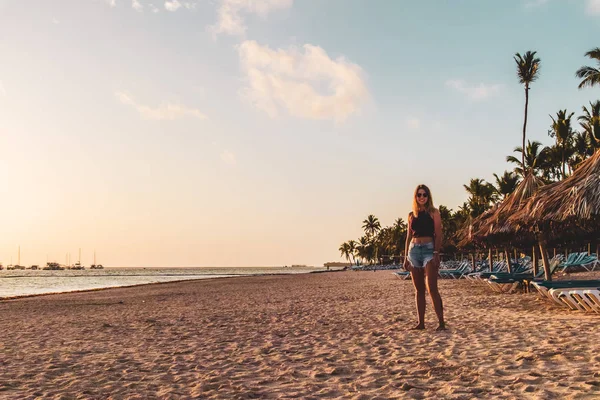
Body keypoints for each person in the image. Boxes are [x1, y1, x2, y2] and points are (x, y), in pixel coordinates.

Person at [403, 184, 446, 331]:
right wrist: (405, 257)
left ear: (428, 196)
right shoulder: (411, 215)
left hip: (429, 250)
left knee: (432, 288)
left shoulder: (434, 212)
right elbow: (408, 236)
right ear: (415, 197)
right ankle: (421, 323)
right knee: (419, 290)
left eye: (424, 194)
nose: (422, 197)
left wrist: (436, 253)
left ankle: (441, 322)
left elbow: (439, 234)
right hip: (413, 251)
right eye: (419, 195)